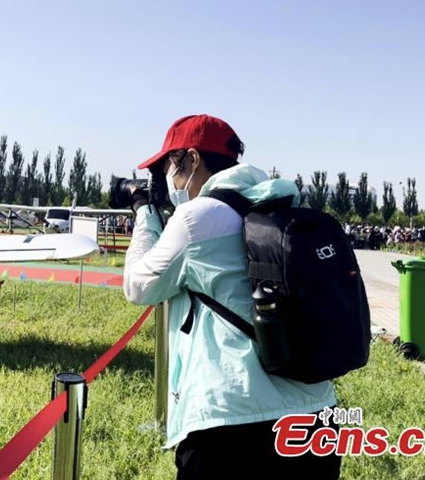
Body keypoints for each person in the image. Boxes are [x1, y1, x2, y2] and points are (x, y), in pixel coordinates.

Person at [122, 114, 340, 479]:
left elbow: (137, 285)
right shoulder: (284, 208)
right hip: (317, 413)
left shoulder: (198, 217)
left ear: (191, 159)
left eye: (167, 170)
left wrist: (144, 211)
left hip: (232, 422)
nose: (168, 183)